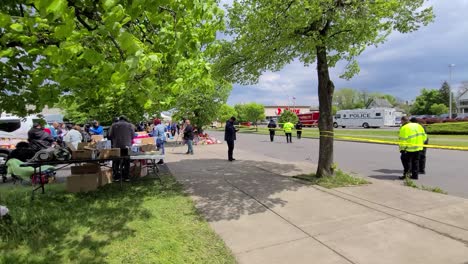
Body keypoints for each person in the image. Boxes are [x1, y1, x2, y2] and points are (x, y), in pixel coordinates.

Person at [108, 116, 134, 182]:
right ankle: (126, 177)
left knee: (116, 161)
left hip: (116, 145)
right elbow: (133, 135)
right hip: (127, 145)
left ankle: (116, 177)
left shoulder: (113, 125)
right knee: (126, 161)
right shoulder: (130, 125)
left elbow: (110, 135)